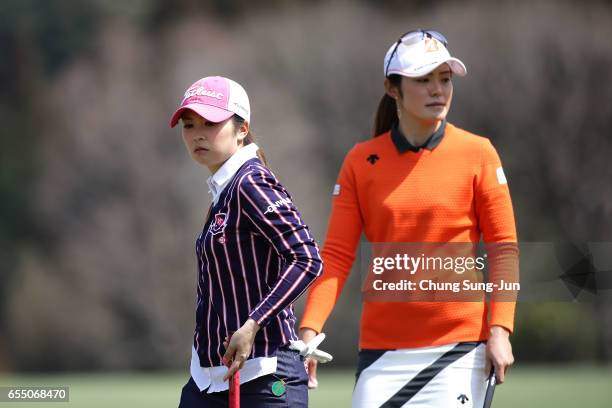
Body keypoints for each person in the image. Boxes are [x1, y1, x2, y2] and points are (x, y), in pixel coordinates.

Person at [299, 30, 518, 407]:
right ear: (392, 88)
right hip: (381, 354)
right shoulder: (359, 162)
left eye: (445, 79)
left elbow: (503, 249)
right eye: (423, 80)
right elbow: (335, 255)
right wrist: (309, 332)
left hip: (460, 349)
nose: (438, 90)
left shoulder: (478, 153)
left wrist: (500, 329)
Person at [171, 76, 323, 407]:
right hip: (210, 380)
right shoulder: (223, 189)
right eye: (188, 124)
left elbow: (307, 258)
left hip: (266, 376)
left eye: (211, 123)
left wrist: (252, 325)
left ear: (242, 129)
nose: (197, 133)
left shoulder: (250, 182)